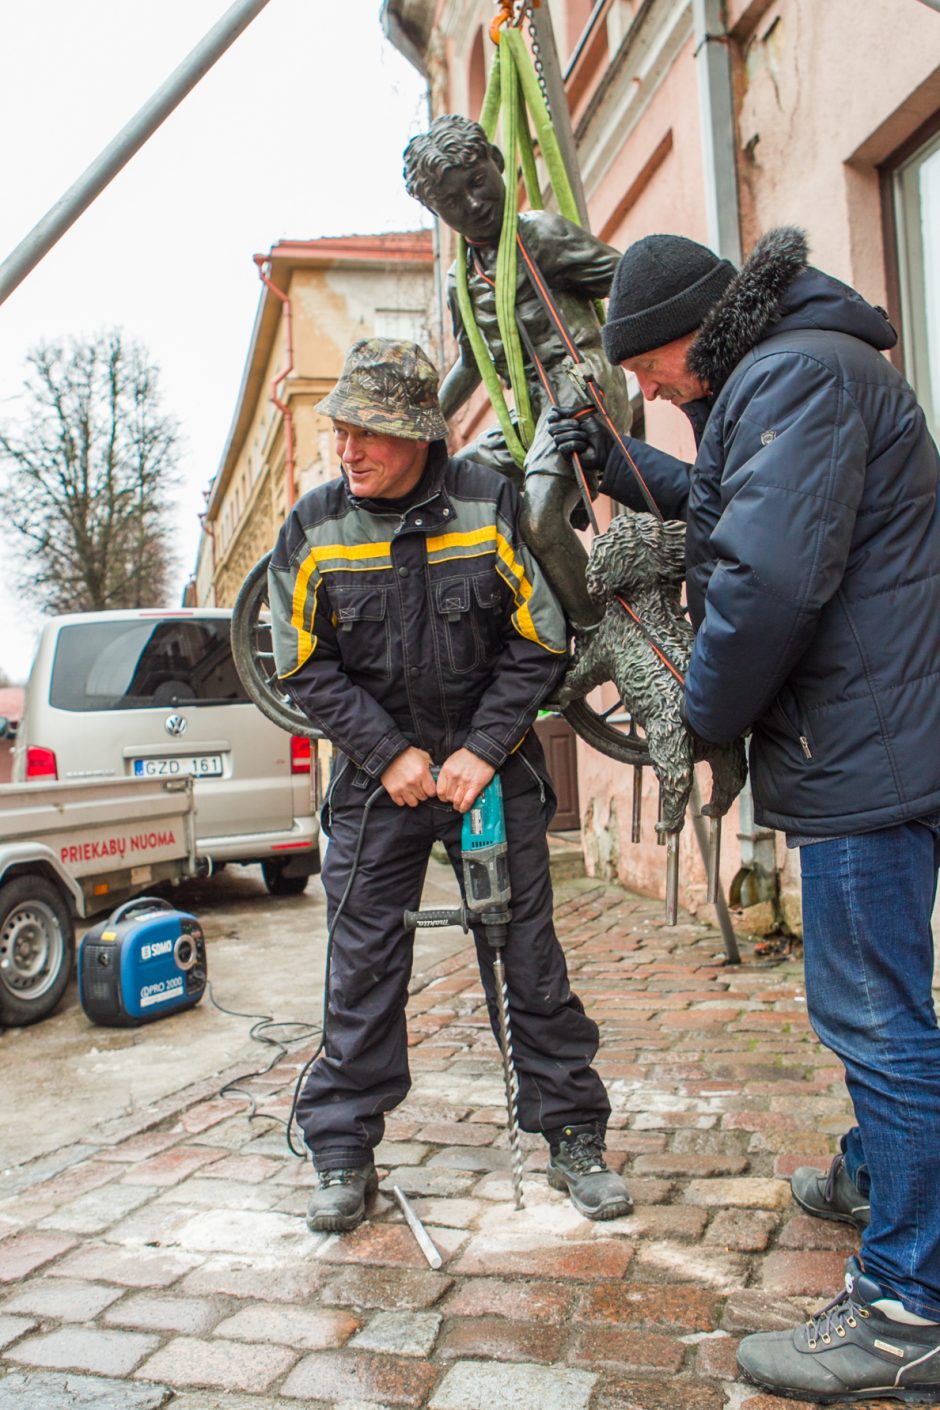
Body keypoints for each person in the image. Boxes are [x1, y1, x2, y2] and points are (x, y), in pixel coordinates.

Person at [548, 227, 940, 1402]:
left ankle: (908, 1304)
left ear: (686, 337)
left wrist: (697, 714)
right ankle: (884, 1172)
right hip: (869, 737)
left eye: (650, 372)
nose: (653, 391)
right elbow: (734, 514)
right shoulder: (790, 369)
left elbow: (764, 580)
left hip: (865, 748)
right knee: (883, 1001)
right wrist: (622, 469)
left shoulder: (796, 376)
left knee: (871, 1011)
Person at [267, 337, 632, 1233]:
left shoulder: (487, 503)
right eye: (340, 431)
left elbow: (541, 640)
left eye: (368, 433)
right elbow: (298, 661)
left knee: (530, 960)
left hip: (486, 771)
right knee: (360, 967)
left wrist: (481, 747)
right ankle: (344, 1151)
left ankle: (573, 1138)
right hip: (375, 775)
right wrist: (386, 753)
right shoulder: (314, 526)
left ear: (420, 435)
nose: (347, 450)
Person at [402, 114, 632, 633]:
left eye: (478, 184)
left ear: (498, 164)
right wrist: (418, 430)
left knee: (541, 515)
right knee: (452, 487)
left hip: (578, 386)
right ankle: (531, 617)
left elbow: (627, 278)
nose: (474, 205)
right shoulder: (461, 279)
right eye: (453, 203)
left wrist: (633, 352)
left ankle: (604, 636)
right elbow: (470, 363)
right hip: (525, 418)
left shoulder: (539, 235)